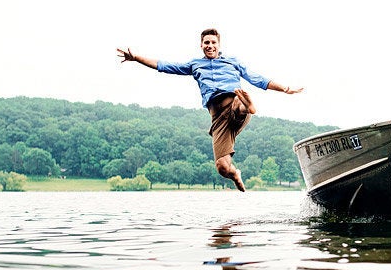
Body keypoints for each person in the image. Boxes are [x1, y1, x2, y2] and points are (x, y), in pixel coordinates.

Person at [117, 28, 303, 191]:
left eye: (213, 42)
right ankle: (235, 174)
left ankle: (247, 106)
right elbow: (164, 66)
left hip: (234, 103)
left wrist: (285, 88)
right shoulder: (194, 65)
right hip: (218, 117)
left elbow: (259, 79)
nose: (210, 45)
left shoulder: (232, 61)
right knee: (222, 167)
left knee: (238, 102)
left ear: (219, 44)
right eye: (206, 42)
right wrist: (136, 58)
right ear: (201, 45)